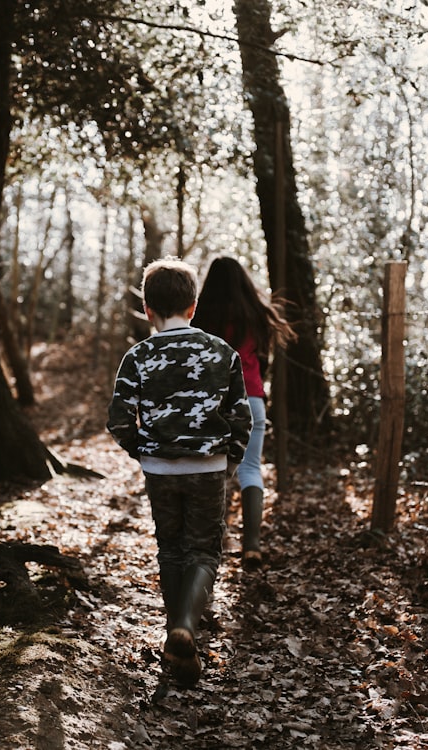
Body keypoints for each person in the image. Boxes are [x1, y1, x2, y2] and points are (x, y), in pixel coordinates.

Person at [107, 257, 253, 687]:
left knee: (170, 549)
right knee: (204, 551)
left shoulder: (137, 356)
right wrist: (230, 460)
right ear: (193, 306)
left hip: (160, 471)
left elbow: (118, 420)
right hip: (209, 467)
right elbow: (242, 416)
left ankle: (177, 633)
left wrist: (145, 453)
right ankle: (185, 628)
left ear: (148, 310)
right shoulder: (221, 353)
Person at [193, 255, 297, 568]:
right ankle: (252, 545)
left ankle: (213, 543)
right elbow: (264, 360)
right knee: (250, 469)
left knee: (214, 470)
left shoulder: (201, 317)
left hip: (213, 402)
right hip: (251, 399)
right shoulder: (256, 315)